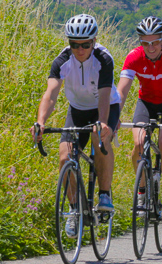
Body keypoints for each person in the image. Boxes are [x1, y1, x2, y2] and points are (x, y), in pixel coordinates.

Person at [34, 14, 119, 237]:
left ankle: (104, 195)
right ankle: (74, 211)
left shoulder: (104, 59)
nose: (79, 49)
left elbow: (104, 96)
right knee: (65, 157)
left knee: (99, 137)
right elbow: (50, 95)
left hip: (105, 105)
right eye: (74, 44)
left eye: (85, 44)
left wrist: (102, 124)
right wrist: (41, 122)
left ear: (94, 41)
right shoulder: (62, 61)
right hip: (78, 110)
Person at [116, 16, 162, 222]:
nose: (151, 47)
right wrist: (114, 116)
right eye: (145, 43)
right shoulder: (134, 57)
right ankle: (141, 192)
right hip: (146, 102)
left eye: (155, 42)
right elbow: (121, 91)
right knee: (139, 142)